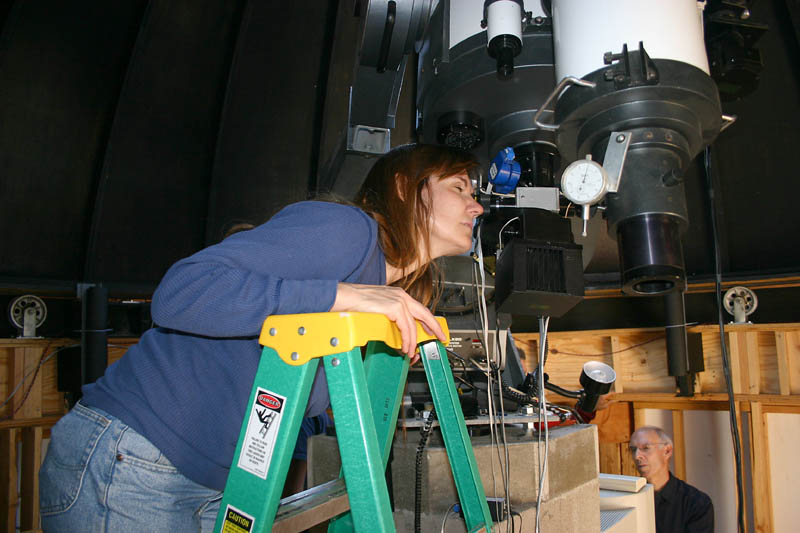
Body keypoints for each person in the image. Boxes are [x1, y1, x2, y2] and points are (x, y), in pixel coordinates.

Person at [38, 143, 484, 532]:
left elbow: (289, 381)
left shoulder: (386, 291)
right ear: (406, 187)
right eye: (459, 188)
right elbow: (180, 293)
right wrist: (338, 295)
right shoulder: (346, 230)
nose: (476, 206)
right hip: (135, 462)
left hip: (218, 485)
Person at [629, 426, 714, 533]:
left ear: (667, 451)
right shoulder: (627, 500)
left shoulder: (697, 503)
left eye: (646, 448)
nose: (637, 456)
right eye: (633, 450)